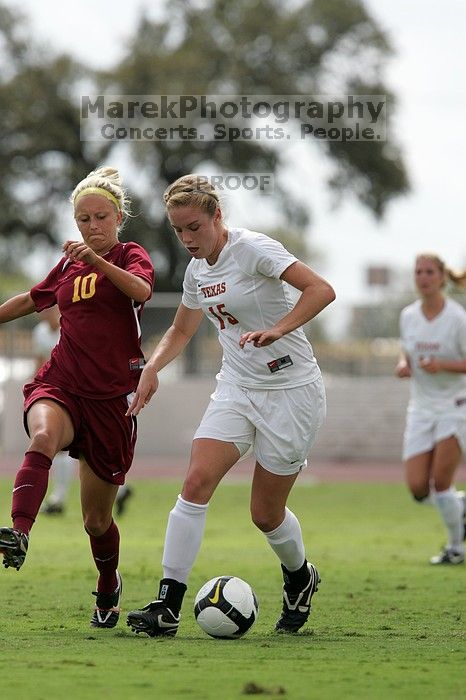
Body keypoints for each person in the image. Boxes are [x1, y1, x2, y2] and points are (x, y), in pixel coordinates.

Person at [125, 174, 335, 637]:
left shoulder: (254, 249)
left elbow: (321, 289)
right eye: (179, 231)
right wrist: (152, 367)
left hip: (291, 391)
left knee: (265, 514)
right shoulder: (198, 270)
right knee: (196, 481)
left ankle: (300, 576)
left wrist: (279, 328)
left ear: (217, 217)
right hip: (237, 387)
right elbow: (181, 329)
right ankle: (167, 604)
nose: (186, 240)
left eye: (194, 227)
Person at [0, 167, 155, 629]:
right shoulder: (69, 262)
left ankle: (109, 584)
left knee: (95, 523)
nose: (92, 226)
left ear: (118, 217)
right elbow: (32, 299)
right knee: (43, 436)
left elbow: (141, 290)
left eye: (101, 217)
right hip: (63, 381)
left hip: (111, 400)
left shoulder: (129, 255)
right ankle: (19, 531)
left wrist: (99, 261)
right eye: (83, 219)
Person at [395, 253, 466, 565]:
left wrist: (443, 365)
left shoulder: (457, 318)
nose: (422, 277)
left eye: (429, 272)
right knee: (418, 488)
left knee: (441, 483)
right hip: (421, 408)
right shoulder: (408, 315)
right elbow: (406, 349)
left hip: (455, 406)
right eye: (418, 271)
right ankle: (459, 506)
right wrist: (402, 363)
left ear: (441, 277)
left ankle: (455, 548)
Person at [34, 307, 134, 517]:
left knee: (90, 450)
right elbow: (39, 364)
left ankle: (117, 490)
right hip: (60, 393)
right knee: (60, 445)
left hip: (85, 394)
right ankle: (58, 498)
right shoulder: (40, 332)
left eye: (50, 307)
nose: (46, 312)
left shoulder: (72, 326)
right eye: (43, 309)